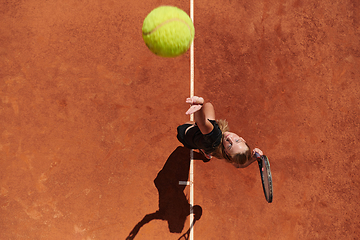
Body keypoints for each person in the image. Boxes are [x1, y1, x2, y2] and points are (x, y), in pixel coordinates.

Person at [177, 96, 263, 168]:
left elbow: (202, 124)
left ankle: (205, 150)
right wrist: (253, 158)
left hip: (185, 134)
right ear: (242, 139)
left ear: (226, 151)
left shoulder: (215, 137)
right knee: (206, 141)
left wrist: (199, 107)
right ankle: (206, 151)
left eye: (230, 146)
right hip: (203, 143)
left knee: (200, 125)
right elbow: (238, 165)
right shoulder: (228, 155)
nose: (229, 138)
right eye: (237, 140)